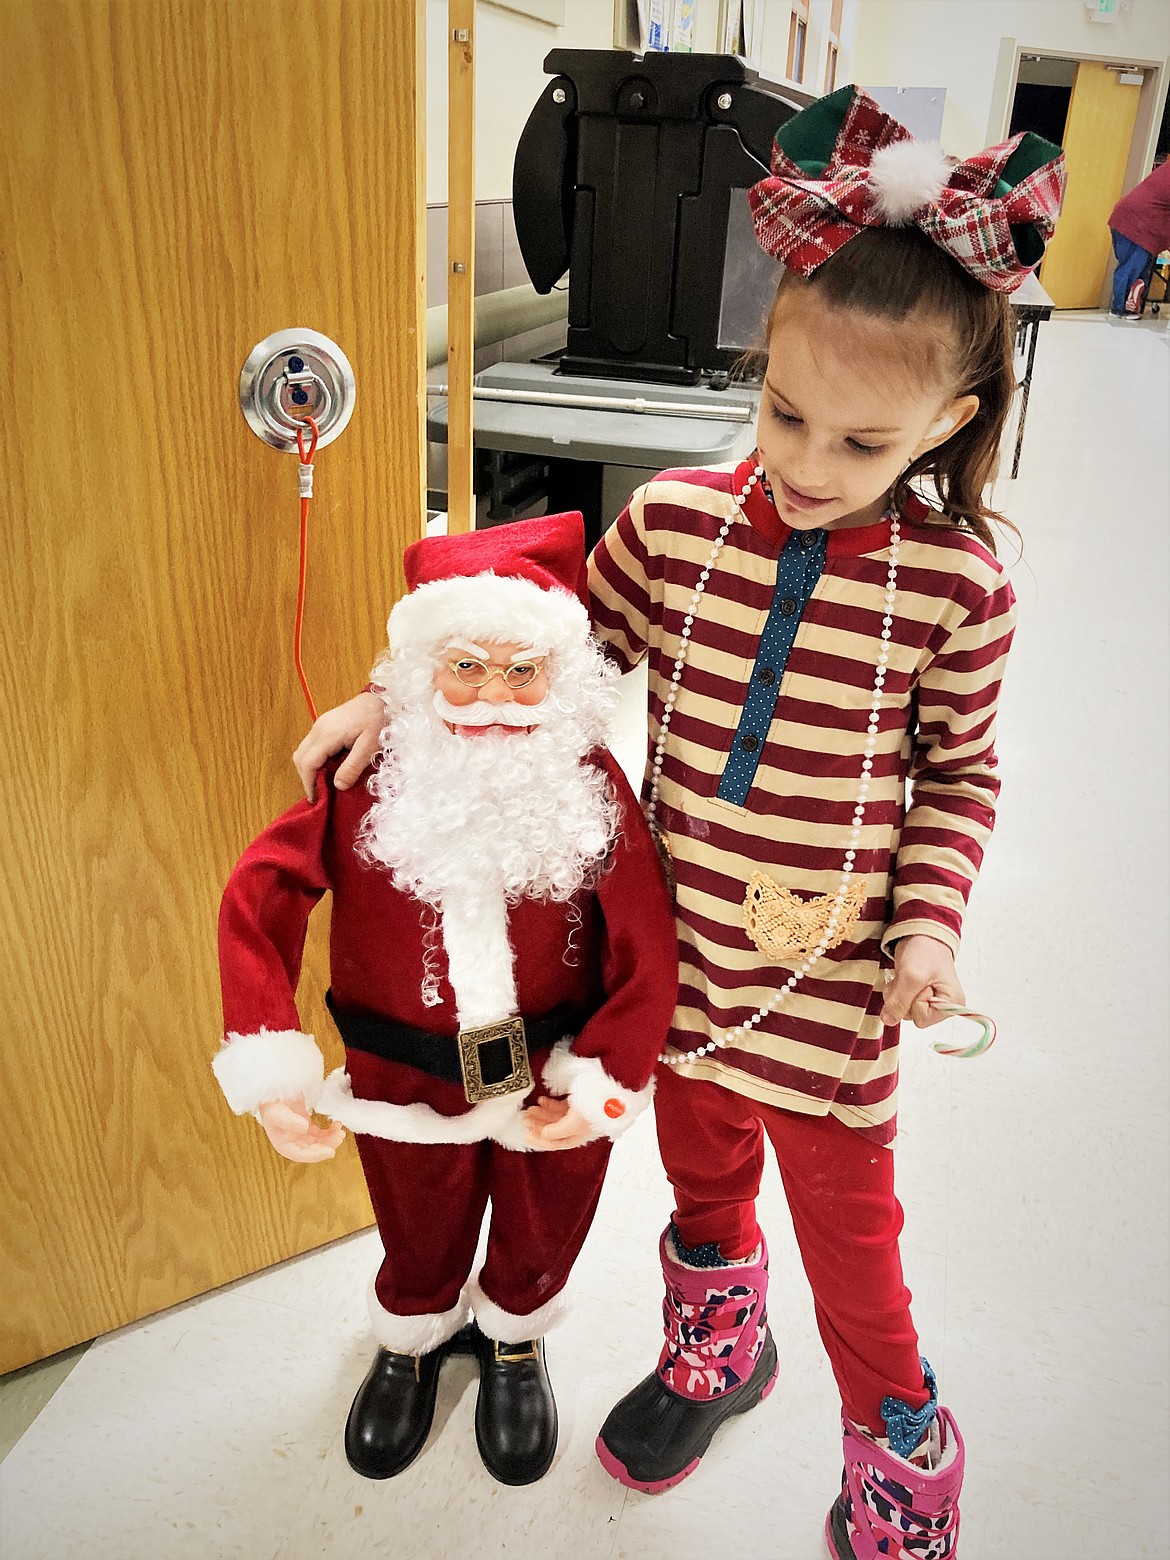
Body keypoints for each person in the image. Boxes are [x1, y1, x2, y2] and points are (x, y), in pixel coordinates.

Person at [292, 88, 1064, 1560]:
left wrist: (927, 925)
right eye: (781, 410)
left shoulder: (957, 592)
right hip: (681, 972)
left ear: (948, 423)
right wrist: (395, 706)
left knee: (854, 1245)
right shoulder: (676, 523)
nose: (807, 462)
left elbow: (960, 779)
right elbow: (534, 668)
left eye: (860, 439)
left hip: (834, 987)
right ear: (753, 361)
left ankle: (899, 1455)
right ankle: (718, 1348)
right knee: (701, 1176)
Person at [214, 512, 678, 1487]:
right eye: (464, 666)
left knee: (544, 1211)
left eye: (523, 671)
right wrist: (269, 1057)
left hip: (555, 1073)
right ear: (419, 672)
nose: (494, 696)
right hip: (399, 1073)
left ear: (563, 679)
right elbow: (261, 896)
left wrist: (608, 1074)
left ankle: (516, 1334)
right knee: (414, 1213)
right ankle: (416, 1331)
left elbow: (646, 936)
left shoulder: (588, 781)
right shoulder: (368, 775)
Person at [1107, 160, 1170, 318]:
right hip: (1138, 226)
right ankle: (1120, 309)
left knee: (1134, 269)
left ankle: (1128, 305)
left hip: (1127, 220)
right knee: (1130, 269)